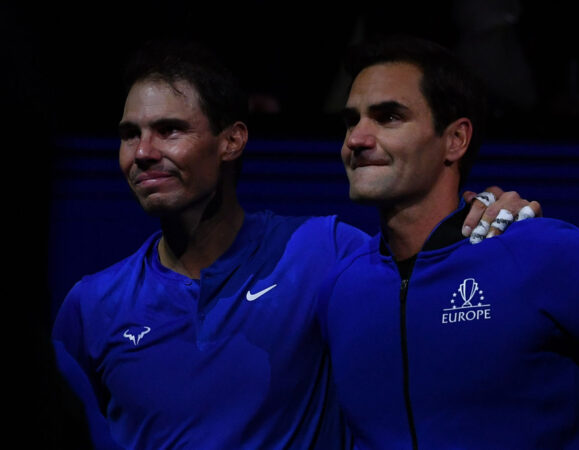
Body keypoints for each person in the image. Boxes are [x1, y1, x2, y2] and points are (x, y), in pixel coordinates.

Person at [51, 39, 541, 449]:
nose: (142, 153)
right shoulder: (89, 306)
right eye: (128, 134)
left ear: (232, 141)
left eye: (169, 130)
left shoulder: (324, 252)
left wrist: (487, 206)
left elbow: (425, 258)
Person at [318, 34, 579, 449]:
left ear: (456, 140)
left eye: (389, 117)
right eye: (351, 120)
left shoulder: (541, 253)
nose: (356, 139)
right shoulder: (339, 287)